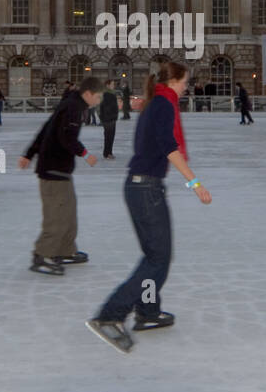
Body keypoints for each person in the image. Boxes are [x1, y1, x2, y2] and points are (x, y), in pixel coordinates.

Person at [87, 61, 212, 353]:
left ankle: (148, 311)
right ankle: (110, 315)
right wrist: (196, 184)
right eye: (184, 82)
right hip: (146, 189)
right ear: (173, 81)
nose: (186, 88)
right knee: (158, 258)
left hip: (139, 187)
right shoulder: (163, 106)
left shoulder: (154, 104)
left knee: (154, 255)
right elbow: (169, 148)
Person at [19, 78, 102, 275]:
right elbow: (66, 137)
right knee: (57, 216)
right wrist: (85, 154)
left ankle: (64, 250)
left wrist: (28, 154)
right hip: (53, 168)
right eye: (98, 97)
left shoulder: (71, 104)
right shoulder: (73, 107)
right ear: (88, 94)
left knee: (69, 212)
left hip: (59, 169)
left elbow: (46, 128)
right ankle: (43, 255)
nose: (99, 101)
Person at [98, 79, 120, 159]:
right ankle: (108, 153)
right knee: (109, 136)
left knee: (109, 136)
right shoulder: (106, 94)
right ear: (107, 85)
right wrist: (104, 117)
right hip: (108, 119)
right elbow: (101, 107)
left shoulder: (111, 94)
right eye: (112, 84)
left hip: (110, 118)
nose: (113, 86)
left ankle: (107, 152)